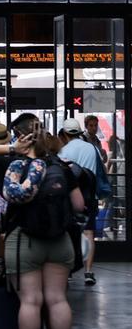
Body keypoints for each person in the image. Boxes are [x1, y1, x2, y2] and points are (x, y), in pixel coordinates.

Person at [2, 126, 84, 329]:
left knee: (30, 300)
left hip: (25, 240)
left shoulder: (18, 167)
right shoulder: (63, 168)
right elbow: (79, 205)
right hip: (60, 240)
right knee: (57, 299)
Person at [58, 117, 101, 286]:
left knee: (68, 233)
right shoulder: (92, 148)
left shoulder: (63, 151)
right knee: (89, 232)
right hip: (90, 195)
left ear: (65, 133)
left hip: (71, 196)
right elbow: (101, 168)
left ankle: (68, 271)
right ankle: (88, 272)